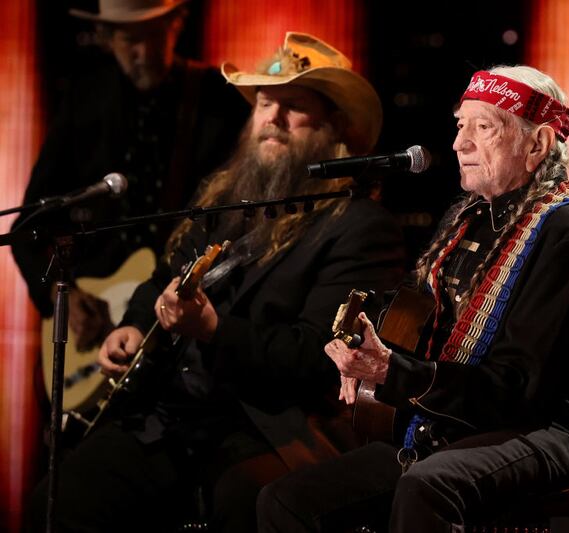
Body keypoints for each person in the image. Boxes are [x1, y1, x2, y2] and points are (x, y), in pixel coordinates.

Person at [23, 31, 405, 533]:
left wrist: (215, 330)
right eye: (265, 103)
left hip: (264, 425)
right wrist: (137, 326)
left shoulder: (359, 229)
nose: (273, 118)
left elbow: (320, 359)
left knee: (245, 501)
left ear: (334, 128)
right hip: (169, 418)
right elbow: (163, 276)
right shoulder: (225, 202)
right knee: (55, 499)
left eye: (294, 106)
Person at [256, 65, 569, 532]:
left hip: (560, 430)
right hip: (467, 424)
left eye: (484, 126)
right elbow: (421, 324)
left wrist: (392, 372)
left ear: (537, 145)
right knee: (287, 500)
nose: (460, 143)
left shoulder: (568, 228)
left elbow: (521, 391)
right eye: (460, 125)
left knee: (428, 484)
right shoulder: (471, 220)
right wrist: (362, 347)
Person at [11, 0, 250, 356]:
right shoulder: (85, 99)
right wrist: (62, 295)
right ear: (106, 37)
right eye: (129, 39)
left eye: (153, 34)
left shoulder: (218, 98)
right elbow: (28, 226)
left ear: (176, 26)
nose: (144, 51)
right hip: (94, 321)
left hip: (180, 323)